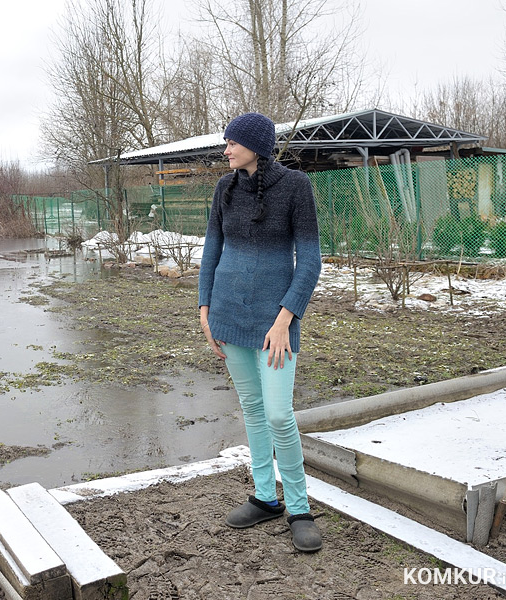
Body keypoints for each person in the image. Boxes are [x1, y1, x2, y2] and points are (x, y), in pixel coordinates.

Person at [198, 112, 323, 552]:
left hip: (276, 325)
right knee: (252, 410)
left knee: (278, 415)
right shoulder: (224, 189)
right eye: (226, 142)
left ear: (256, 145)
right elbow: (212, 247)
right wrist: (204, 307)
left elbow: (310, 261)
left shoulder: (295, 187)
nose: (226, 149)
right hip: (228, 315)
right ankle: (266, 498)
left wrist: (286, 318)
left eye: (232, 142)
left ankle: (300, 507)